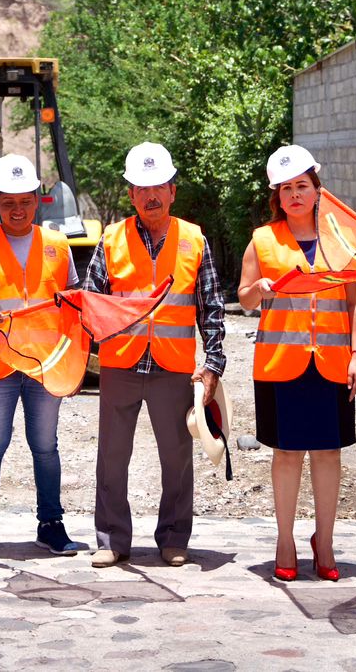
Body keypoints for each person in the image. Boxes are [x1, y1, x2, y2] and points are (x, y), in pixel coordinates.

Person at [85, 141, 227, 568]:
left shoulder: (193, 240)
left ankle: (173, 537)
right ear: (130, 194)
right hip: (121, 364)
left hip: (172, 367)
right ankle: (112, 538)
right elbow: (92, 302)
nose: (150, 195)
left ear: (172, 191)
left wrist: (213, 364)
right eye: (142, 188)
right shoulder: (111, 240)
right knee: (112, 457)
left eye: (159, 186)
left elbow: (212, 306)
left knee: (177, 457)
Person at [237, 145, 356, 582]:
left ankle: (324, 541)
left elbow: (355, 301)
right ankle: (285, 540)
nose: (295, 195)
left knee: (328, 453)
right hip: (280, 364)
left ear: (316, 189)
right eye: (287, 188)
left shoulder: (340, 238)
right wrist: (262, 289)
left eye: (302, 186)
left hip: (331, 365)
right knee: (287, 454)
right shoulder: (263, 239)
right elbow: (244, 296)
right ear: (277, 195)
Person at [0, 154, 85, 560]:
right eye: (8, 201)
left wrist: (74, 364)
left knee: (45, 445)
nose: (17, 209)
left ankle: (51, 525)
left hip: (45, 364)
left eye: (25, 200)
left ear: (37, 200)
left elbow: (74, 304)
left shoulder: (58, 246)